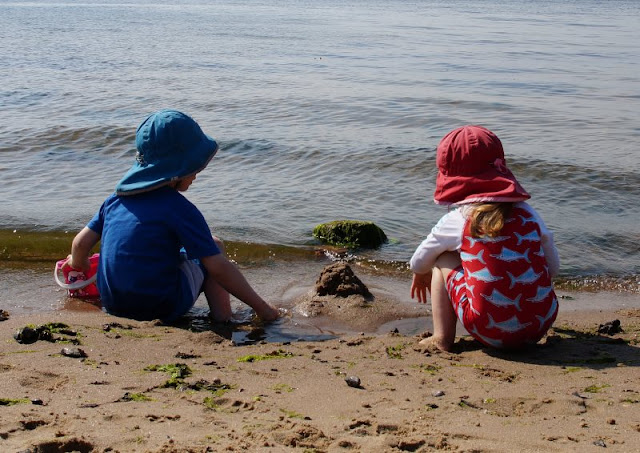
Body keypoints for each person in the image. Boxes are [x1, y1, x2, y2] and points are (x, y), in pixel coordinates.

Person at [66, 109, 279, 323]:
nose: (197, 174)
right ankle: (223, 316)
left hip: (113, 305)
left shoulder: (114, 201)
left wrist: (79, 264)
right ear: (178, 168)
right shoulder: (179, 208)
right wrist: (263, 309)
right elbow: (218, 267)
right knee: (215, 246)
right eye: (195, 167)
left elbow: (79, 245)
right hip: (162, 306)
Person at [410, 125, 559, 351]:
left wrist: (421, 274)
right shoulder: (529, 214)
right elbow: (553, 267)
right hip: (540, 323)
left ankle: (442, 338)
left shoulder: (459, 219)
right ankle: (522, 320)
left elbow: (419, 261)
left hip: (487, 329)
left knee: (441, 260)